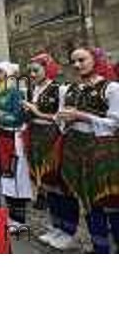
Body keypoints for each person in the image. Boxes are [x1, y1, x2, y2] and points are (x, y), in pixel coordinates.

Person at [57, 47, 119, 253]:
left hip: (103, 151)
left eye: (81, 60)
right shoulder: (71, 88)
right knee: (88, 202)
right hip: (76, 150)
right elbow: (62, 119)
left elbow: (114, 123)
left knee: (109, 201)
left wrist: (82, 116)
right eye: (73, 61)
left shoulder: (111, 88)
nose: (76, 65)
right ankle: (100, 248)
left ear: (96, 60)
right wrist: (64, 120)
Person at [23, 53, 73, 248]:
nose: (32, 74)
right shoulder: (34, 89)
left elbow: (62, 117)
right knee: (46, 184)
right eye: (30, 71)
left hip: (52, 138)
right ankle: (57, 226)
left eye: (36, 70)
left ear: (47, 68)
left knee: (60, 184)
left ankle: (68, 230)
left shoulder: (59, 88)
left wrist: (36, 112)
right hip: (36, 137)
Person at [0, 61, 32, 225]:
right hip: (1, 137)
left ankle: (19, 220)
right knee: (6, 179)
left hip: (13, 139)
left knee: (16, 178)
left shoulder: (15, 92)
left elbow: (18, 117)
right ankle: (11, 217)